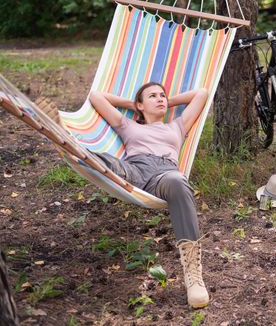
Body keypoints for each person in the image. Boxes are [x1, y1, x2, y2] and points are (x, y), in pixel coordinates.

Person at [89, 82, 209, 308]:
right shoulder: (128, 125)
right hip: (133, 171)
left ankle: (193, 274)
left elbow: (201, 93)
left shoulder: (177, 126)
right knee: (98, 158)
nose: (161, 98)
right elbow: (96, 96)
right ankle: (66, 139)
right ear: (140, 105)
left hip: (164, 175)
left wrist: (163, 102)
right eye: (153, 96)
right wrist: (135, 106)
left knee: (178, 180)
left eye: (162, 95)